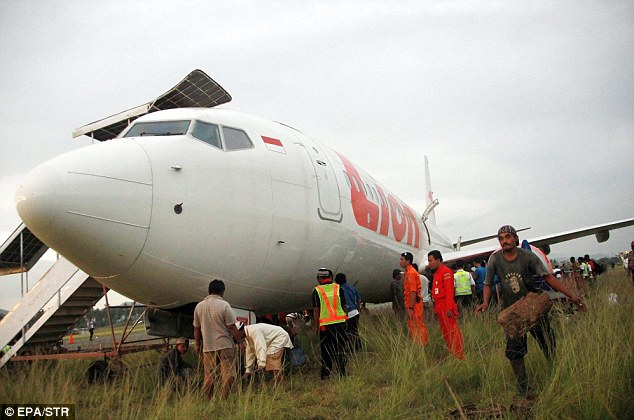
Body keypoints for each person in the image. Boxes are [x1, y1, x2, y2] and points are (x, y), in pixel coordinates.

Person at [475, 225, 584, 395]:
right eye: (501, 238)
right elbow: (488, 283)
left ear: (516, 239)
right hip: (512, 312)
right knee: (514, 352)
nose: (504, 241)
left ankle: (556, 376)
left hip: (533, 307)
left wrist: (571, 296)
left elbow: (548, 277)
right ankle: (524, 388)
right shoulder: (494, 259)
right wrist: (485, 303)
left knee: (548, 344)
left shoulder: (528, 257)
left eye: (508, 237)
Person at [193, 279, 244, 399]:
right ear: (222, 291)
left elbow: (196, 328)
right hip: (225, 344)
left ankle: (208, 399)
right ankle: (224, 398)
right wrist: (240, 342)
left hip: (208, 346)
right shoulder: (224, 305)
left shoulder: (199, 306)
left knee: (209, 375)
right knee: (229, 374)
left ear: (209, 291)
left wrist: (197, 345)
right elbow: (231, 326)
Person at [428, 250, 464, 359]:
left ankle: (459, 355)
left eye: (431, 261)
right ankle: (453, 353)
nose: (429, 263)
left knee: (452, 332)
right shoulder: (437, 273)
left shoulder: (446, 272)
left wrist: (449, 308)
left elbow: (449, 292)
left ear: (438, 260)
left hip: (446, 306)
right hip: (439, 306)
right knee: (446, 333)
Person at [312, 268, 348, 379]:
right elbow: (344, 305)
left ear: (320, 278)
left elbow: (316, 309)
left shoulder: (317, 290)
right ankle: (342, 372)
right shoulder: (338, 288)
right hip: (340, 323)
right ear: (330, 277)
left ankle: (326, 374)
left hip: (325, 326)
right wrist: (346, 318)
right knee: (340, 348)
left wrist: (316, 325)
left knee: (326, 350)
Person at [400, 252, 429, 346]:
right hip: (413, 303)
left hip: (414, 304)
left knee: (416, 325)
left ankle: (421, 344)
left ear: (408, 261)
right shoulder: (409, 272)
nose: (400, 261)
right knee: (417, 324)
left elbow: (413, 292)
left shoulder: (411, 273)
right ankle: (422, 343)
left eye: (402, 260)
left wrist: (411, 308)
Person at [335, 273, 362, 352]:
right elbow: (359, 300)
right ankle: (358, 346)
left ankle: (350, 349)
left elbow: (343, 305)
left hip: (347, 314)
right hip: (355, 313)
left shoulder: (339, 290)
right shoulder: (352, 288)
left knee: (347, 333)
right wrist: (357, 308)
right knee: (355, 330)